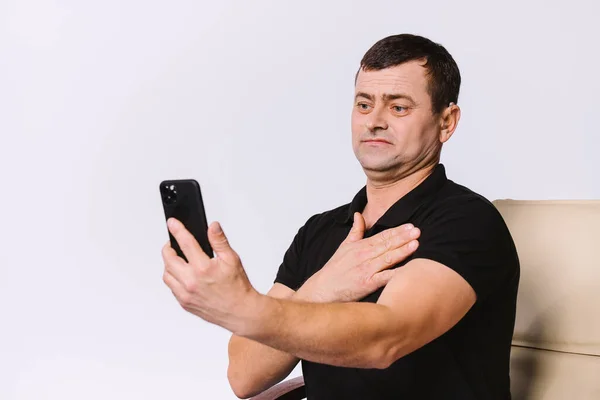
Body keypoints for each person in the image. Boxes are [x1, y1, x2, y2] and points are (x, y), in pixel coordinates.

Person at [162, 33, 520, 399]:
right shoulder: (320, 231)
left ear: (446, 122)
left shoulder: (468, 221)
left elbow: (386, 339)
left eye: (398, 108)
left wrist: (243, 307)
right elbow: (245, 375)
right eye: (364, 105)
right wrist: (323, 288)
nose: (374, 121)